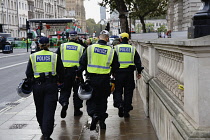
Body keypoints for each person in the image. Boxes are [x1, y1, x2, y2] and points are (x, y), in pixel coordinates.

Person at [76, 30, 120, 130]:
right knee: (102, 100)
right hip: (104, 79)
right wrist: (113, 73)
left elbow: (82, 62)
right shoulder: (111, 51)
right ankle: (102, 121)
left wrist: (78, 74)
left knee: (91, 99)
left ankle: (93, 115)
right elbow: (116, 66)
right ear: (107, 39)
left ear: (98, 37)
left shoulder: (90, 48)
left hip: (91, 79)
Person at [25, 37, 65, 140]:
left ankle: (42, 127)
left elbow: (28, 73)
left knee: (40, 108)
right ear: (48, 45)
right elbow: (61, 72)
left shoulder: (33, 56)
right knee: (49, 110)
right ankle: (47, 134)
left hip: (37, 86)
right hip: (51, 85)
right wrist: (60, 81)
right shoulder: (54, 56)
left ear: (39, 44)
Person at [113, 32, 144, 118]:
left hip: (119, 73)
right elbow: (138, 61)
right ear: (128, 39)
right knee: (128, 92)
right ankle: (126, 110)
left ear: (120, 39)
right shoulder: (132, 49)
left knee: (118, 91)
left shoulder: (116, 48)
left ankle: (119, 105)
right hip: (129, 74)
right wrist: (139, 72)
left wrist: (112, 72)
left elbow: (113, 61)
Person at [56, 31, 85, 118]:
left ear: (68, 37)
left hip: (65, 72)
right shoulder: (81, 48)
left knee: (65, 90)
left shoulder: (62, 46)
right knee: (77, 92)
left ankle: (64, 103)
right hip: (76, 72)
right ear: (77, 37)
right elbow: (84, 61)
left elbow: (56, 59)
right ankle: (77, 110)